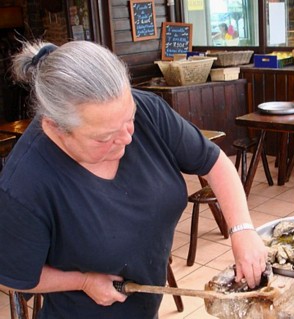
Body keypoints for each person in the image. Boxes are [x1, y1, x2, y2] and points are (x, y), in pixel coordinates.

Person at [0, 40, 268, 318]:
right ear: (55, 129)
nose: (128, 137)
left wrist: (242, 229)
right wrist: (83, 281)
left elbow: (213, 161)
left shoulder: (147, 110)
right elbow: (13, 275)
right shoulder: (24, 185)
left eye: (129, 119)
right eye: (105, 137)